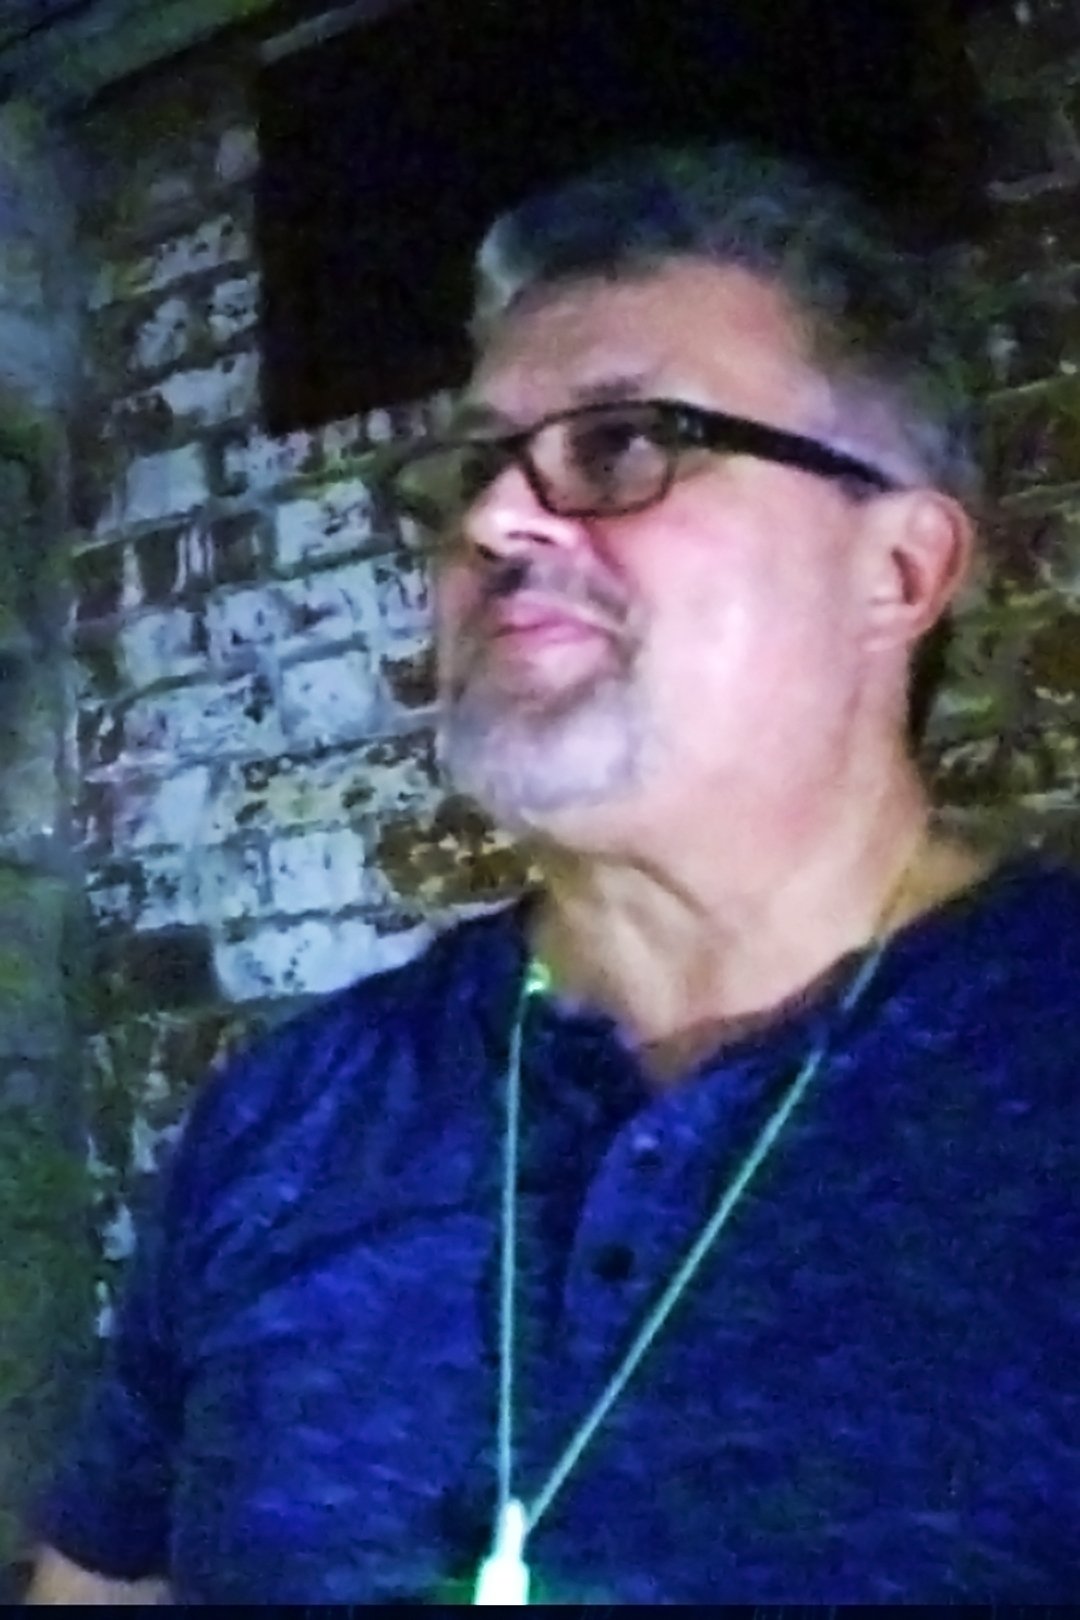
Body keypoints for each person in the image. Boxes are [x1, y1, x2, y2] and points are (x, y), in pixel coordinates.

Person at [29, 142, 1079, 1605]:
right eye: (476, 465)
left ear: (896, 571)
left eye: (625, 444)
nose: (492, 521)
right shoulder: (291, 1115)